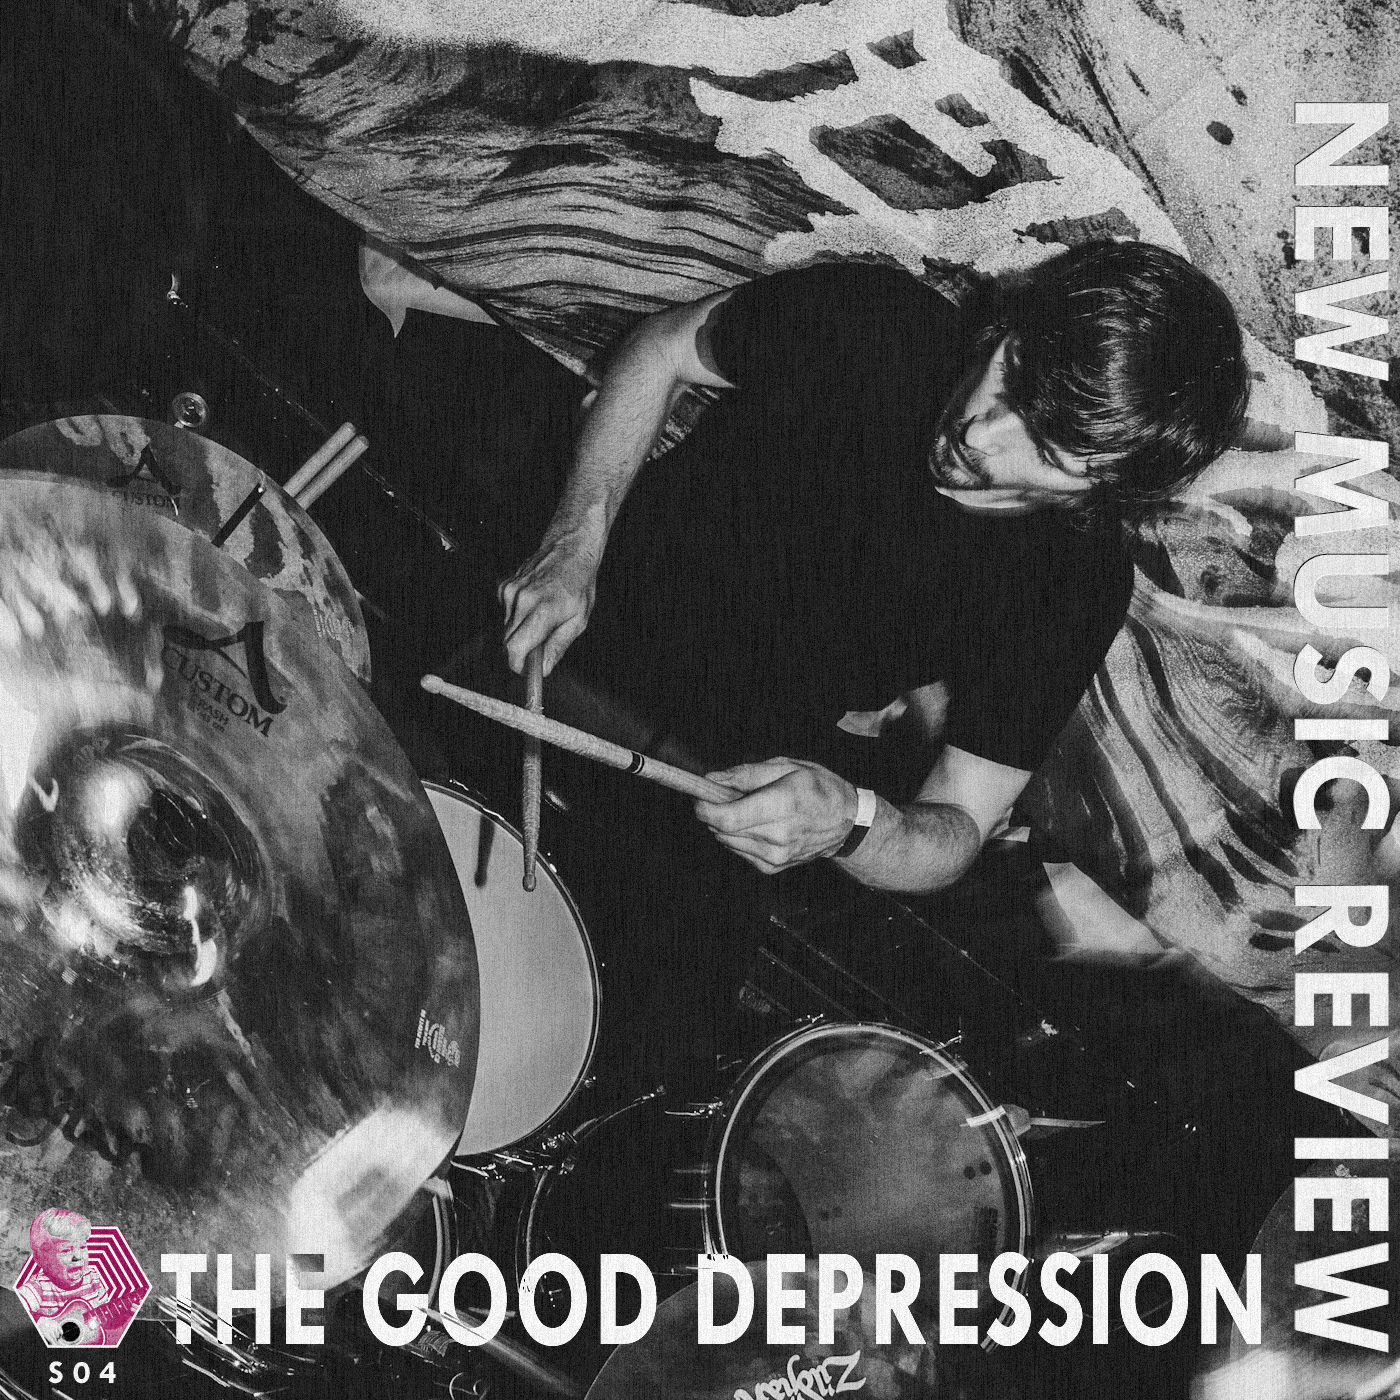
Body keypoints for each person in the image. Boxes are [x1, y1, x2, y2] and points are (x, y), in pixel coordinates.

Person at [500, 241, 1248, 894]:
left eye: (1046, 451)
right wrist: (574, 541)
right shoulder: (874, 319)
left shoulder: (1074, 586)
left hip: (732, 780)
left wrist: (850, 825)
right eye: (1012, 370)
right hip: (566, 629)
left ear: (1107, 482)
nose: (980, 434)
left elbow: (959, 825)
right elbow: (666, 347)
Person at [16, 1209, 110, 1346]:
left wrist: (124, 1314)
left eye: (82, 1247)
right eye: (65, 1250)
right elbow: (9, 1310)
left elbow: (106, 1318)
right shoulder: (38, 1288)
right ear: (42, 1258)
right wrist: (39, 1321)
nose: (77, 1256)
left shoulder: (93, 1278)